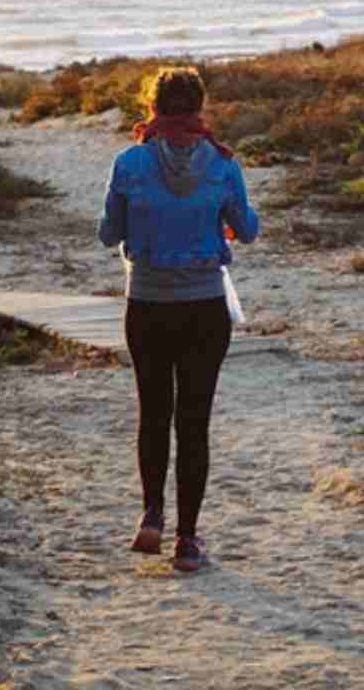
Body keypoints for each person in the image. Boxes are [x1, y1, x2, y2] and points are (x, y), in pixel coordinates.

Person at [98, 66, 260, 572]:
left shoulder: (129, 162)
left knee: (153, 412)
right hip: (205, 308)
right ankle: (187, 541)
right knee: (194, 421)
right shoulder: (223, 165)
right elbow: (248, 230)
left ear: (152, 106)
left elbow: (108, 234)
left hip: (146, 304)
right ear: (199, 107)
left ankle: (151, 515)